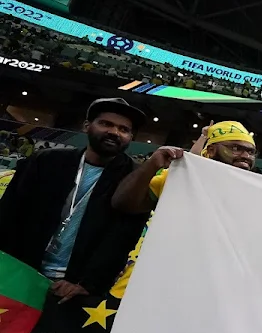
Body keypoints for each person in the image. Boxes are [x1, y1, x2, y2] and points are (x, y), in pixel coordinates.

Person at [0, 98, 150, 303]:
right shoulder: (46, 161)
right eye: (106, 124)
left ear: (130, 137)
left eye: (124, 129)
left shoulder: (134, 180)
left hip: (73, 288)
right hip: (19, 271)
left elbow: (122, 240)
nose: (115, 132)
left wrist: (89, 284)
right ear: (87, 126)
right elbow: (10, 212)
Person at [110, 121, 258, 297]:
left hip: (208, 290)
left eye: (250, 152)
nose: (245, 156)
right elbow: (123, 203)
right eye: (235, 148)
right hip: (155, 280)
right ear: (210, 151)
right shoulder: (182, 178)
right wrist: (152, 165)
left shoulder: (257, 195)